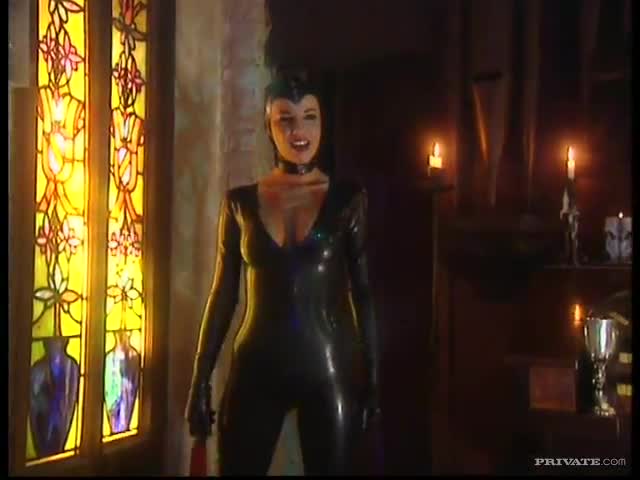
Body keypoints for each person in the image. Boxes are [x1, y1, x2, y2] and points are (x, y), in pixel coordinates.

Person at [185, 69, 380, 475]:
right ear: (268, 125)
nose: (299, 131)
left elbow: (363, 293)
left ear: (323, 121)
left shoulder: (347, 199)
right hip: (257, 365)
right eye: (285, 119)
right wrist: (200, 380)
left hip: (327, 368)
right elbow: (223, 294)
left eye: (309, 116)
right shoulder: (240, 203)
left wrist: (373, 377)